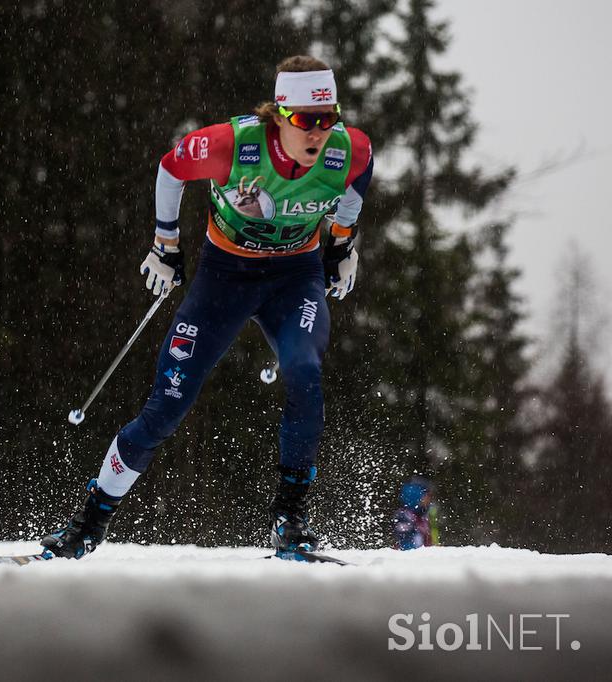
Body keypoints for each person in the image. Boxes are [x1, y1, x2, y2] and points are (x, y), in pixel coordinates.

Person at [41, 55, 374, 560]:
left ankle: (290, 522)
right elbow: (171, 169)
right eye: (307, 121)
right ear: (279, 115)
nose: (319, 133)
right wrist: (165, 245)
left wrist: (343, 246)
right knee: (166, 409)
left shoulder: (349, 150)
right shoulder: (230, 146)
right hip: (225, 278)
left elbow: (359, 180)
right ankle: (88, 523)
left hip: (294, 278)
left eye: (328, 118)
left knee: (304, 371)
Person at [393, 477, 440, 550]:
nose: (429, 499)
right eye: (426, 495)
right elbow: (405, 542)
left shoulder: (424, 515)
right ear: (416, 497)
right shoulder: (404, 516)